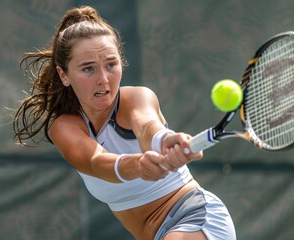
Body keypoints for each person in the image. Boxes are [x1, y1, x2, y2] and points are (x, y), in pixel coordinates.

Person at [13, 6, 236, 240]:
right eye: (88, 68)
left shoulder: (136, 98)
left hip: (195, 216)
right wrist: (139, 165)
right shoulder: (65, 128)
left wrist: (165, 140)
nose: (103, 79)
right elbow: (97, 161)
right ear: (64, 75)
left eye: (111, 65)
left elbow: (148, 128)